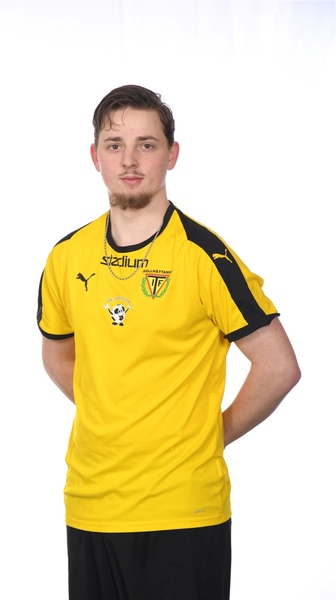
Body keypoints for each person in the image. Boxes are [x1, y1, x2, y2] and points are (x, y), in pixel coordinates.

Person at [37, 84, 301, 600]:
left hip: (183, 511)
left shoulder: (204, 256)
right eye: (115, 145)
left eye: (147, 144)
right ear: (95, 156)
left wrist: (210, 434)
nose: (129, 160)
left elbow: (279, 367)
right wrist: (113, 410)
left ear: (172, 154)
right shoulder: (66, 257)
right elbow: (57, 354)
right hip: (90, 505)